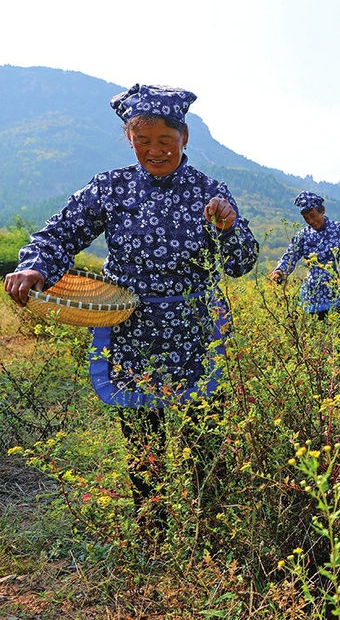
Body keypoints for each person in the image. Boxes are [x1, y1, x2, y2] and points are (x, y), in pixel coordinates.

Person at [4, 84, 260, 534]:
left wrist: (228, 226)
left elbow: (241, 263)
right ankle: (155, 534)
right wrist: (34, 267)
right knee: (144, 439)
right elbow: (58, 235)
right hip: (131, 328)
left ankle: (211, 533)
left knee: (206, 436)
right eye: (143, 141)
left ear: (185, 139)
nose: (154, 151)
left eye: (165, 141)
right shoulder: (111, 187)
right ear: (129, 139)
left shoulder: (209, 191)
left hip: (195, 328)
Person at [269, 191, 340, 319]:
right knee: (317, 336)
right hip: (313, 297)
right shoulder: (302, 236)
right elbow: (290, 257)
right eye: (306, 218)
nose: (311, 221)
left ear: (322, 210)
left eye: (313, 215)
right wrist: (279, 271)